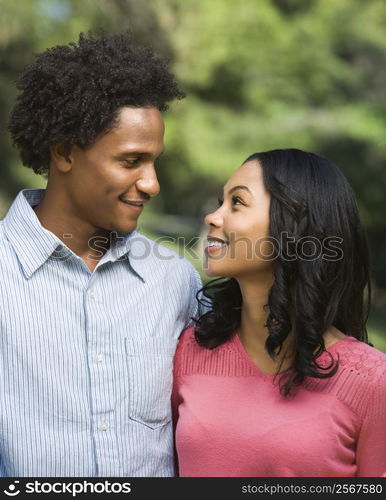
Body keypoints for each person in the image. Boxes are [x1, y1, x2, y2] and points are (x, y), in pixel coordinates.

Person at [0, 32, 201, 477]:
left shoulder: (177, 281)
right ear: (64, 153)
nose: (152, 184)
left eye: (155, 162)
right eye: (131, 161)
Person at [172, 148, 386, 477]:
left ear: (295, 226)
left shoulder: (372, 381)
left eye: (237, 202)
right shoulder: (188, 352)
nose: (213, 217)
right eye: (220, 202)